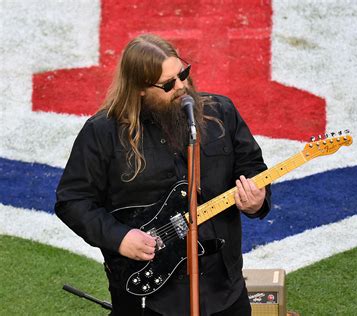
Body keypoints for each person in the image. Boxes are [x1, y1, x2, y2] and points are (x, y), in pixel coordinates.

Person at [55, 33, 271, 315]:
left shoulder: (222, 112)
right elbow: (72, 201)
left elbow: (253, 168)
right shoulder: (102, 133)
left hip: (224, 287)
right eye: (169, 84)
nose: (182, 87)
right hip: (149, 297)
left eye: (184, 74)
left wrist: (257, 201)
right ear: (140, 88)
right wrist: (119, 237)